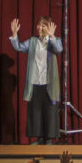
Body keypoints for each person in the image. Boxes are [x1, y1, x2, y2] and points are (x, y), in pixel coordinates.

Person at [10, 16, 63, 144]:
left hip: (48, 83)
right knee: (35, 110)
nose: (39, 28)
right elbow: (19, 47)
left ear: (49, 27)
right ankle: (39, 138)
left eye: (43, 25)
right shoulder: (32, 41)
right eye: (38, 25)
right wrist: (14, 33)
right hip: (35, 82)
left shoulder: (54, 41)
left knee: (50, 110)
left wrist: (52, 37)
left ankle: (49, 139)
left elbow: (59, 49)